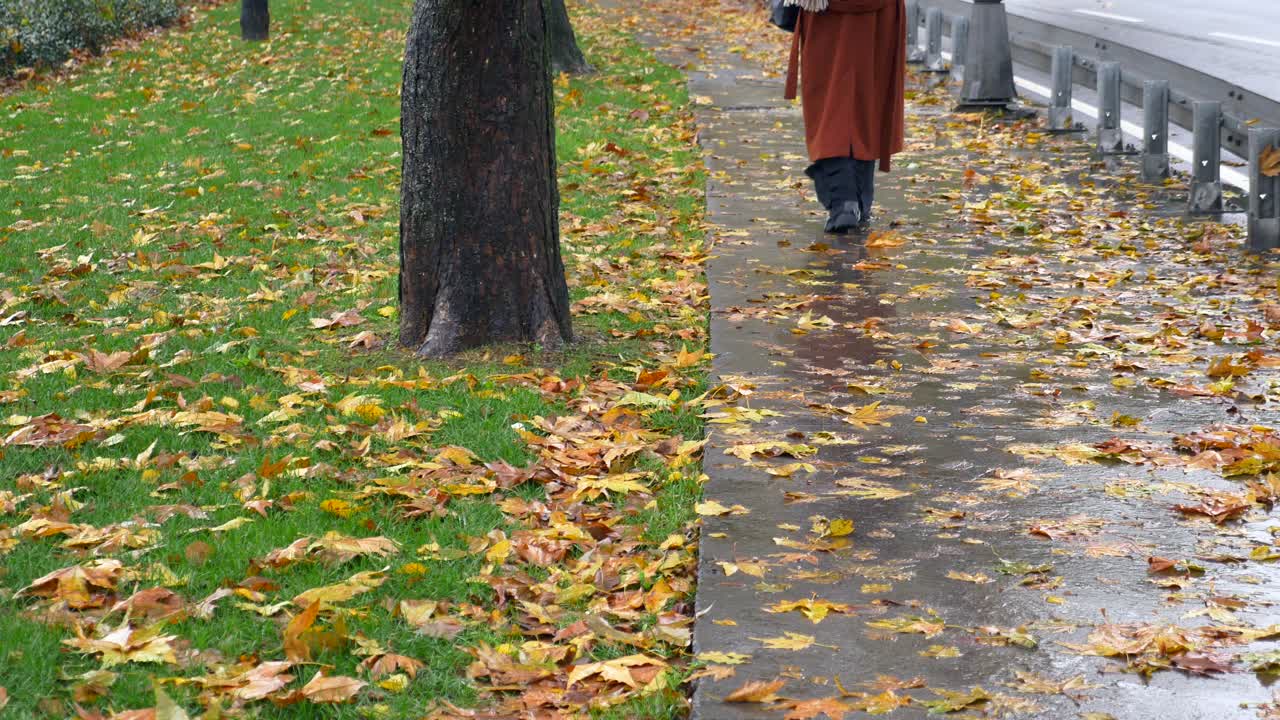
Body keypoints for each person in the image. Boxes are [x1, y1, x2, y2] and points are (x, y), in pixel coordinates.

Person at [785, 0, 906, 234]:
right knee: (869, 103)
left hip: (826, 13)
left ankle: (844, 201)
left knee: (829, 106)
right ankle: (860, 200)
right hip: (880, 14)